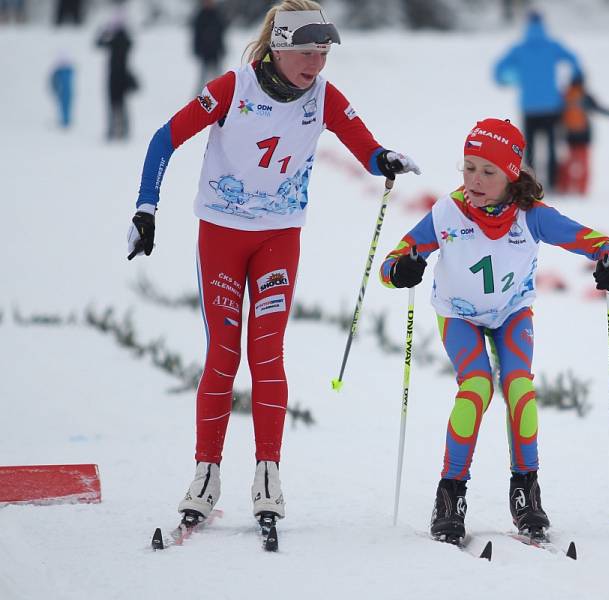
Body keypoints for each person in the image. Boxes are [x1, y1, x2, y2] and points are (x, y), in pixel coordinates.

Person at [126, 0, 420, 531]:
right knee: (222, 352)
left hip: (279, 239)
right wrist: (146, 207)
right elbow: (164, 138)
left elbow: (365, 145)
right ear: (280, 46)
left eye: (324, 50)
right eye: (307, 50)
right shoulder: (232, 87)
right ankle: (206, 472)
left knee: (266, 354)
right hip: (221, 233)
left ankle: (267, 474)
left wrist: (385, 160)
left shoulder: (324, 96)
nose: (317, 62)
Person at [379, 118, 609, 543]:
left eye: (487, 171)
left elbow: (598, 241)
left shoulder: (530, 216)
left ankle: (526, 491)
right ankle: (450, 495)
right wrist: (402, 270)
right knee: (476, 387)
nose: (474, 180)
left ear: (511, 175)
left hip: (511, 312)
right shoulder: (447, 213)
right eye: (468, 167)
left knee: (519, 388)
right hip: (460, 315)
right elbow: (391, 263)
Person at [494, 12, 582, 191]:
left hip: (529, 106)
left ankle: (530, 185)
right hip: (551, 105)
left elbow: (498, 69)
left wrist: (508, 80)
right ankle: (553, 183)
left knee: (530, 148)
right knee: (551, 146)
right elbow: (574, 61)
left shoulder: (520, 47)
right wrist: (573, 81)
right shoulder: (552, 45)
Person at [557, 73, 609, 195]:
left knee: (568, 163)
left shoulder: (565, 96)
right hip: (584, 137)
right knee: (584, 164)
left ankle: (565, 187)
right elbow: (599, 109)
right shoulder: (585, 97)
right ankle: (582, 189)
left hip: (569, 137)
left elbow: (557, 116)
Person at [96, 8, 138, 141]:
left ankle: (117, 130)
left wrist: (105, 32)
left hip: (117, 76)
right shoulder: (122, 38)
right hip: (118, 76)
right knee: (119, 104)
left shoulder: (119, 39)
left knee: (116, 104)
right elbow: (98, 44)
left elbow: (99, 43)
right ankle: (120, 130)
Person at [191, 0, 227, 92]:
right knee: (202, 78)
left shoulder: (217, 15)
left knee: (219, 78)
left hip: (216, 52)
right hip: (205, 53)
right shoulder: (200, 16)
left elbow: (221, 34)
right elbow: (196, 35)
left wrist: (222, 48)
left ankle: (221, 95)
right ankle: (198, 98)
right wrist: (197, 49)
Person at [49, 53, 75, 128]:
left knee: (67, 106)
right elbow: (53, 81)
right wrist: (55, 89)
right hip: (61, 92)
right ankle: (64, 121)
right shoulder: (58, 72)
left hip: (68, 92)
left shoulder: (69, 71)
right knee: (62, 106)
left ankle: (66, 121)